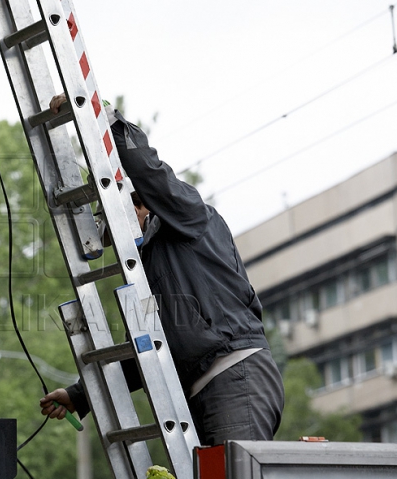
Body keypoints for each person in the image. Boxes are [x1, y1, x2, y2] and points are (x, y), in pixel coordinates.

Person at [39, 94, 284, 446]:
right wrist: (80, 395)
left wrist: (101, 117)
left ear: (142, 205)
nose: (108, 229)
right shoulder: (147, 266)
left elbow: (150, 173)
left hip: (235, 375)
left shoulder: (190, 217)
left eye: (112, 214)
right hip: (204, 392)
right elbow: (145, 350)